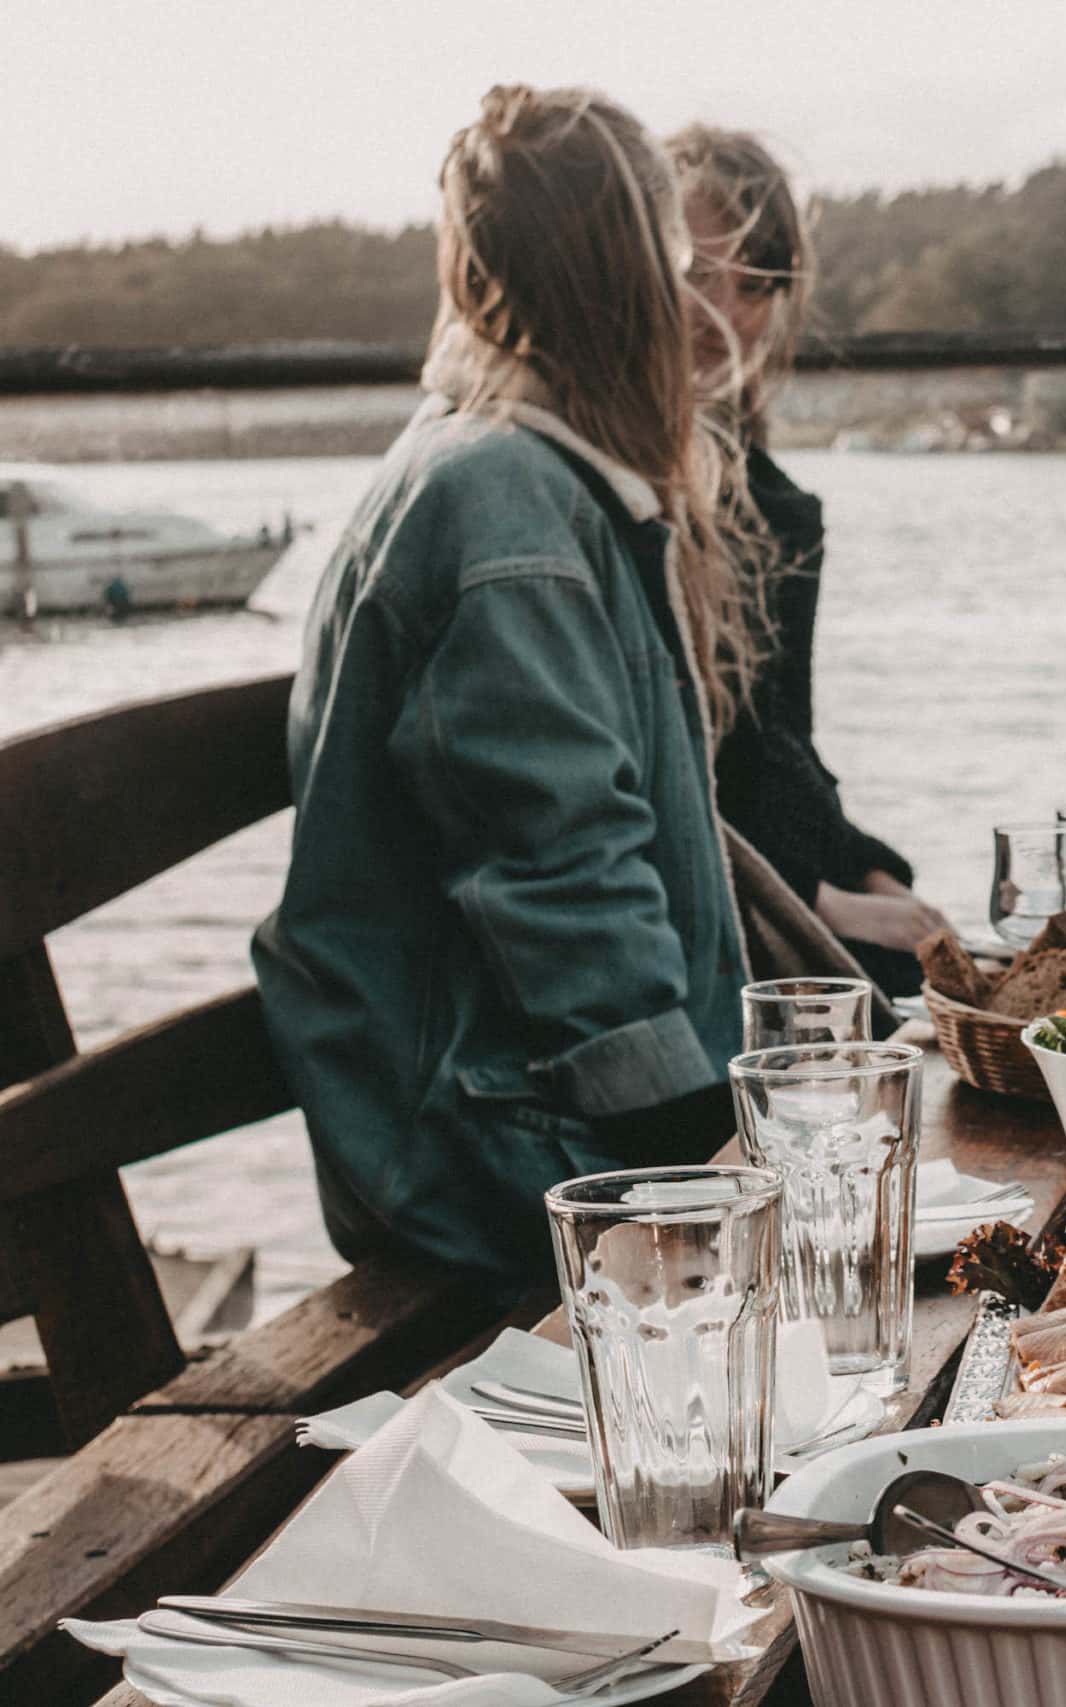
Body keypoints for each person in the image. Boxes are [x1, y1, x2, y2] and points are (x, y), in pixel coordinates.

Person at [253, 87, 758, 1293]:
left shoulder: (511, 474)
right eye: (674, 264)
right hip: (492, 1149)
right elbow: (558, 867)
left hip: (503, 1116)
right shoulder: (502, 506)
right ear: (630, 280)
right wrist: (701, 1158)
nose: (696, 312)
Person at [669, 126, 951, 1001]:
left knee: (943, 966)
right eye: (696, 275)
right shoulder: (624, 501)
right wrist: (819, 901)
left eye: (756, 284)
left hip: (767, 871)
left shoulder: (779, 510)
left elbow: (778, 742)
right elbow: (678, 767)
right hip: (707, 907)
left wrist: (868, 873)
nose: (725, 312)